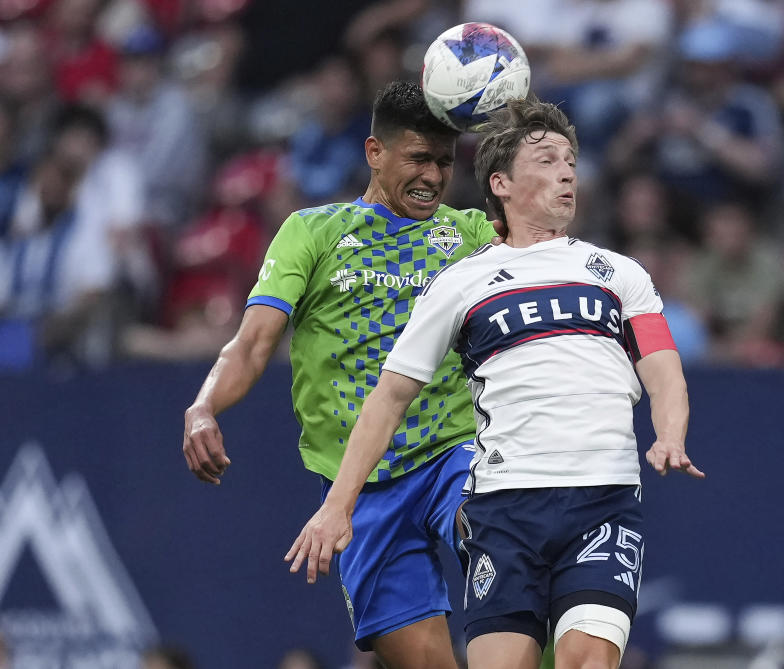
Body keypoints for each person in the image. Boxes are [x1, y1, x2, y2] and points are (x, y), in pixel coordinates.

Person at [287, 98, 703, 669]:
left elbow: (662, 365)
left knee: (586, 659)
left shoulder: (619, 273)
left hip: (602, 500)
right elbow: (389, 399)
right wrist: (338, 506)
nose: (566, 172)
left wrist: (670, 432)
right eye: (548, 159)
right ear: (501, 183)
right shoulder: (461, 282)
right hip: (502, 510)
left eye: (571, 162)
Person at [181, 80, 498, 669]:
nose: (432, 176)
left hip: (454, 452)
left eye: (444, 162)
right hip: (358, 488)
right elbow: (252, 345)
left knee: (499, 537)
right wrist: (204, 407)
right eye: (418, 159)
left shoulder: (472, 234)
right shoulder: (313, 232)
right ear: (375, 152)